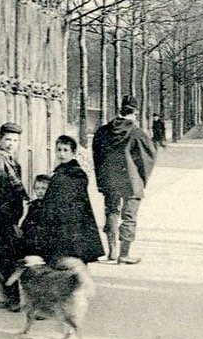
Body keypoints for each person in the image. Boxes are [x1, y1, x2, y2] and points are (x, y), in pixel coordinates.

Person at [92, 95, 156, 265]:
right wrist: (141, 178)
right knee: (129, 216)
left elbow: (97, 156)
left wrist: (103, 177)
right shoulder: (137, 133)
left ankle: (112, 252)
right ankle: (124, 255)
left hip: (109, 180)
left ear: (119, 111)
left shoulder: (102, 131)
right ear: (135, 113)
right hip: (131, 180)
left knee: (111, 212)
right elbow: (149, 157)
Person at [37, 135, 104, 264]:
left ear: (73, 153)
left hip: (70, 225)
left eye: (65, 150)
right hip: (59, 222)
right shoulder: (59, 172)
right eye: (59, 150)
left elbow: (72, 201)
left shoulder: (76, 174)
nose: (61, 154)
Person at [0, 122, 29, 310]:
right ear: (0, 139)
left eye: (15, 140)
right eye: (7, 139)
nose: (11, 143)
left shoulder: (13, 163)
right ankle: (10, 299)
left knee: (8, 258)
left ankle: (10, 298)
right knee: (3, 258)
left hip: (10, 218)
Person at [17, 174, 50, 258]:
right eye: (37, 188)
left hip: (46, 246)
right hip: (32, 245)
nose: (40, 191)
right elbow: (26, 225)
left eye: (43, 188)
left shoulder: (52, 206)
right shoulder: (32, 206)